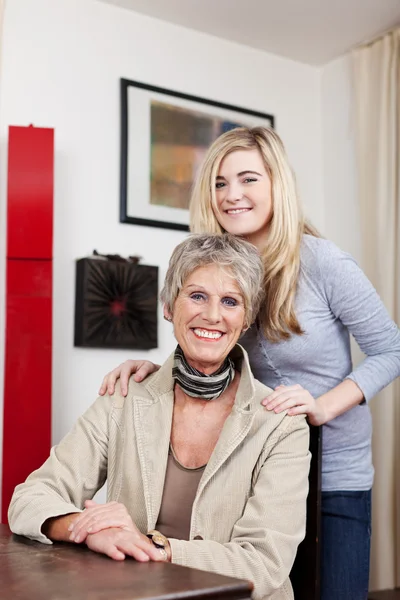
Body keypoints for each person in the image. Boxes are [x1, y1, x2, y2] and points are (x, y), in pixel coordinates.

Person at [99, 127, 400, 600]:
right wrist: (154, 371)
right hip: (256, 471)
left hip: (334, 475)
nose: (232, 195)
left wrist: (322, 407)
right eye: (219, 183)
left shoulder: (323, 263)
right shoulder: (219, 266)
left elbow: (391, 349)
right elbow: (211, 345)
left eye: (248, 179)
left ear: (277, 184)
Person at [9, 233, 311, 600]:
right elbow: (29, 498)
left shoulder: (281, 423)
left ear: (245, 319)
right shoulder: (123, 396)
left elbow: (264, 563)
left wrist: (153, 547)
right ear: (169, 305)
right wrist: (88, 528)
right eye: (197, 295)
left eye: (230, 301)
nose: (213, 315)